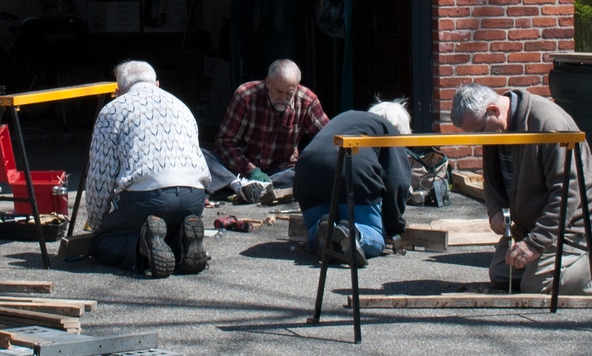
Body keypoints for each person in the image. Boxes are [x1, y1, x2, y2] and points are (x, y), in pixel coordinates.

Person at [449, 83, 592, 295]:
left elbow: (566, 194)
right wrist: (495, 210)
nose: (479, 140)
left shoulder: (548, 124)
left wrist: (535, 244)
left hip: (579, 214)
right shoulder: (496, 128)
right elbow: (491, 180)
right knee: (502, 274)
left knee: (537, 285)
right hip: (535, 217)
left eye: (479, 131)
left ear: (494, 110)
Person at [78, 60, 211, 278]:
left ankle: (142, 245)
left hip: (147, 197)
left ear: (117, 91)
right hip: (193, 196)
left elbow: (99, 179)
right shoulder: (181, 105)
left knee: (103, 244)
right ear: (157, 84)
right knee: (163, 232)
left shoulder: (113, 110)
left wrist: (100, 226)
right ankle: (183, 245)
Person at [292, 100, 413, 264]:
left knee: (318, 226)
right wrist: (393, 227)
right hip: (352, 169)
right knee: (375, 235)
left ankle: (323, 231)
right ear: (399, 128)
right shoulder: (390, 130)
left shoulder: (348, 117)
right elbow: (396, 182)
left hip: (307, 170)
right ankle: (353, 233)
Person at [211, 59, 327, 188]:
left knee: (306, 174)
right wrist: (250, 170)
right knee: (208, 160)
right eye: (278, 92)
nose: (283, 99)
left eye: (289, 93)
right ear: (268, 83)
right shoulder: (245, 95)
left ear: (296, 87)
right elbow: (224, 141)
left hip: (281, 172)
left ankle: (255, 188)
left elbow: (328, 136)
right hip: (241, 169)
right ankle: (243, 186)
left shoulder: (307, 100)